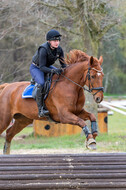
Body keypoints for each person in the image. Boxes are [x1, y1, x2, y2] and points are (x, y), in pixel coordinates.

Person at [30, 29, 66, 117]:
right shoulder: (43, 49)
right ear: (49, 41)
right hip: (37, 67)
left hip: (47, 66)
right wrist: (54, 70)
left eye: (58, 41)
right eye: (54, 41)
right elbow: (42, 67)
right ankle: (41, 109)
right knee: (41, 83)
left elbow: (64, 65)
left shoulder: (59, 50)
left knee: (61, 76)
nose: (57, 43)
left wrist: (64, 71)